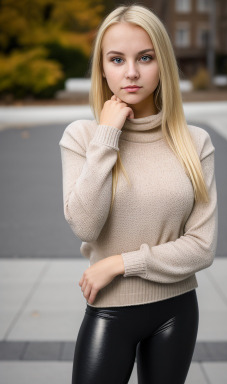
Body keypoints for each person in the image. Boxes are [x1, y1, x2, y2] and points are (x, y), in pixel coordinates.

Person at [59, 4, 218, 384]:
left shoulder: (194, 142)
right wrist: (107, 135)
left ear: (162, 63)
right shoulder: (82, 137)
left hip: (177, 311)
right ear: (102, 67)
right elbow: (85, 224)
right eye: (117, 59)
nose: (131, 72)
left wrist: (118, 264)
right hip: (110, 312)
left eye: (145, 58)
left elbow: (202, 247)